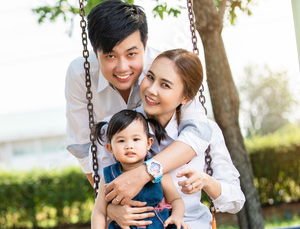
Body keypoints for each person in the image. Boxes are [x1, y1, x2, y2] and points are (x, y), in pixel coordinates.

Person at [85, 49, 245, 229]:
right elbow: (107, 189)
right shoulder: (126, 128)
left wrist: (206, 181)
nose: (151, 89)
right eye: (150, 77)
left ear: (185, 97)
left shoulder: (203, 131)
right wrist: (112, 208)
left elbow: (235, 199)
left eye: (165, 84)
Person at [65, 0, 212, 189]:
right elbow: (84, 148)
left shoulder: (164, 68)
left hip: (169, 185)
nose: (122, 67)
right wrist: (109, 203)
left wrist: (145, 172)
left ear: (145, 42)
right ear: (95, 51)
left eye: (131, 54)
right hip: (114, 184)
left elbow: (198, 131)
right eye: (110, 56)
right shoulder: (80, 74)